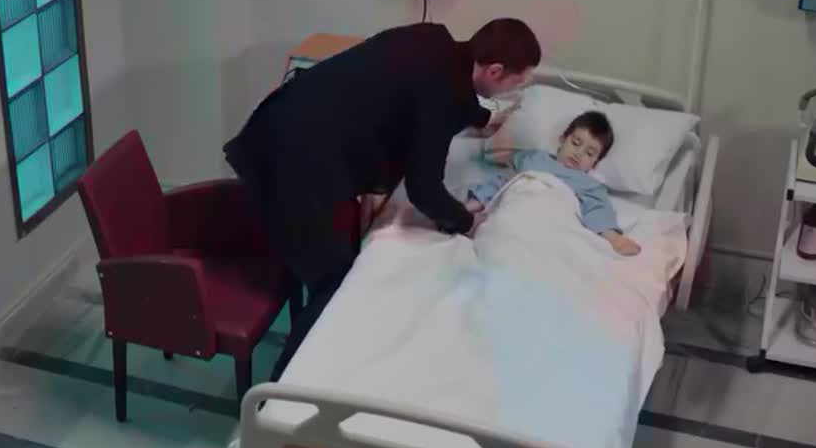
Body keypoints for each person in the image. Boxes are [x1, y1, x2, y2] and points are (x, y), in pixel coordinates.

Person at [223, 19, 541, 381]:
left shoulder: (432, 37)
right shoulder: (446, 94)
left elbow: (428, 92)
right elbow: (424, 188)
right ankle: (281, 391)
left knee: (323, 254)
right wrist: (466, 221)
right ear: (495, 71)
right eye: (516, 84)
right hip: (295, 166)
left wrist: (481, 118)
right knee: (334, 280)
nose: (515, 92)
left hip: (275, 124)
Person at [465, 110, 642, 256]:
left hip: (550, 218)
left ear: (596, 163)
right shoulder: (535, 158)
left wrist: (614, 238)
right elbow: (504, 177)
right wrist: (474, 203)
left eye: (589, 153)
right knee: (505, 197)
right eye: (576, 143)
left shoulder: (589, 185)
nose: (578, 153)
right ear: (562, 139)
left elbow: (598, 211)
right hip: (516, 207)